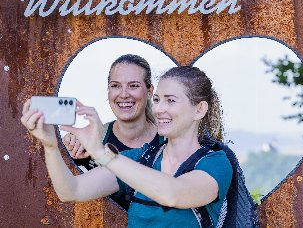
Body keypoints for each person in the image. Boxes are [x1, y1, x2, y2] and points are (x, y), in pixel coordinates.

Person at [21, 66, 233, 227]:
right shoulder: (139, 158)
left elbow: (172, 193)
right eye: (157, 100)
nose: (159, 109)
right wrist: (50, 146)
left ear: (199, 110)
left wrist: (102, 153)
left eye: (170, 100)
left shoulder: (215, 163)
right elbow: (72, 191)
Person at [63, 54, 161, 210]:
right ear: (108, 90)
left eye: (133, 85)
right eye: (115, 85)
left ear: (150, 91)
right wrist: (67, 154)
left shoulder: (169, 140)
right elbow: (69, 193)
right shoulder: (92, 139)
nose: (123, 94)